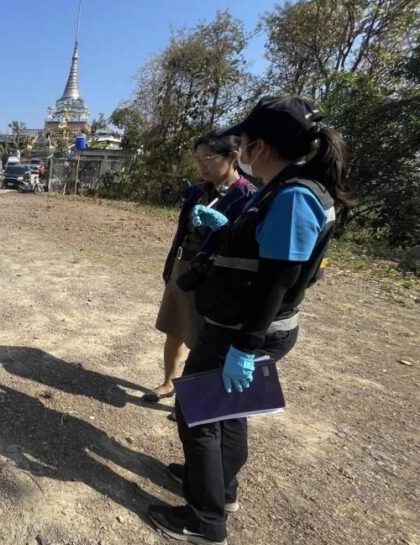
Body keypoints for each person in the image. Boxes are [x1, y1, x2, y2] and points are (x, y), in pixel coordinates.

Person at [147, 96, 353, 545]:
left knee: (197, 411)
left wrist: (243, 346)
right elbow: (262, 255)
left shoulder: (295, 196)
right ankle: (221, 488)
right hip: (243, 326)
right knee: (230, 409)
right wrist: (225, 227)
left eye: (240, 143)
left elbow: (278, 279)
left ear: (258, 147)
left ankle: (205, 520)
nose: (237, 151)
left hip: (244, 331)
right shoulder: (284, 188)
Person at [146, 131, 257, 403]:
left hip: (213, 275)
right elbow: (181, 232)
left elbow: (246, 243)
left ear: (233, 157)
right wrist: (171, 266)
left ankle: (190, 398)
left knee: (202, 339)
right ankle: (169, 382)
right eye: (198, 160)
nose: (202, 166)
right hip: (184, 267)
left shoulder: (246, 196)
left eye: (208, 158)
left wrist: (223, 228)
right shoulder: (198, 191)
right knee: (175, 329)